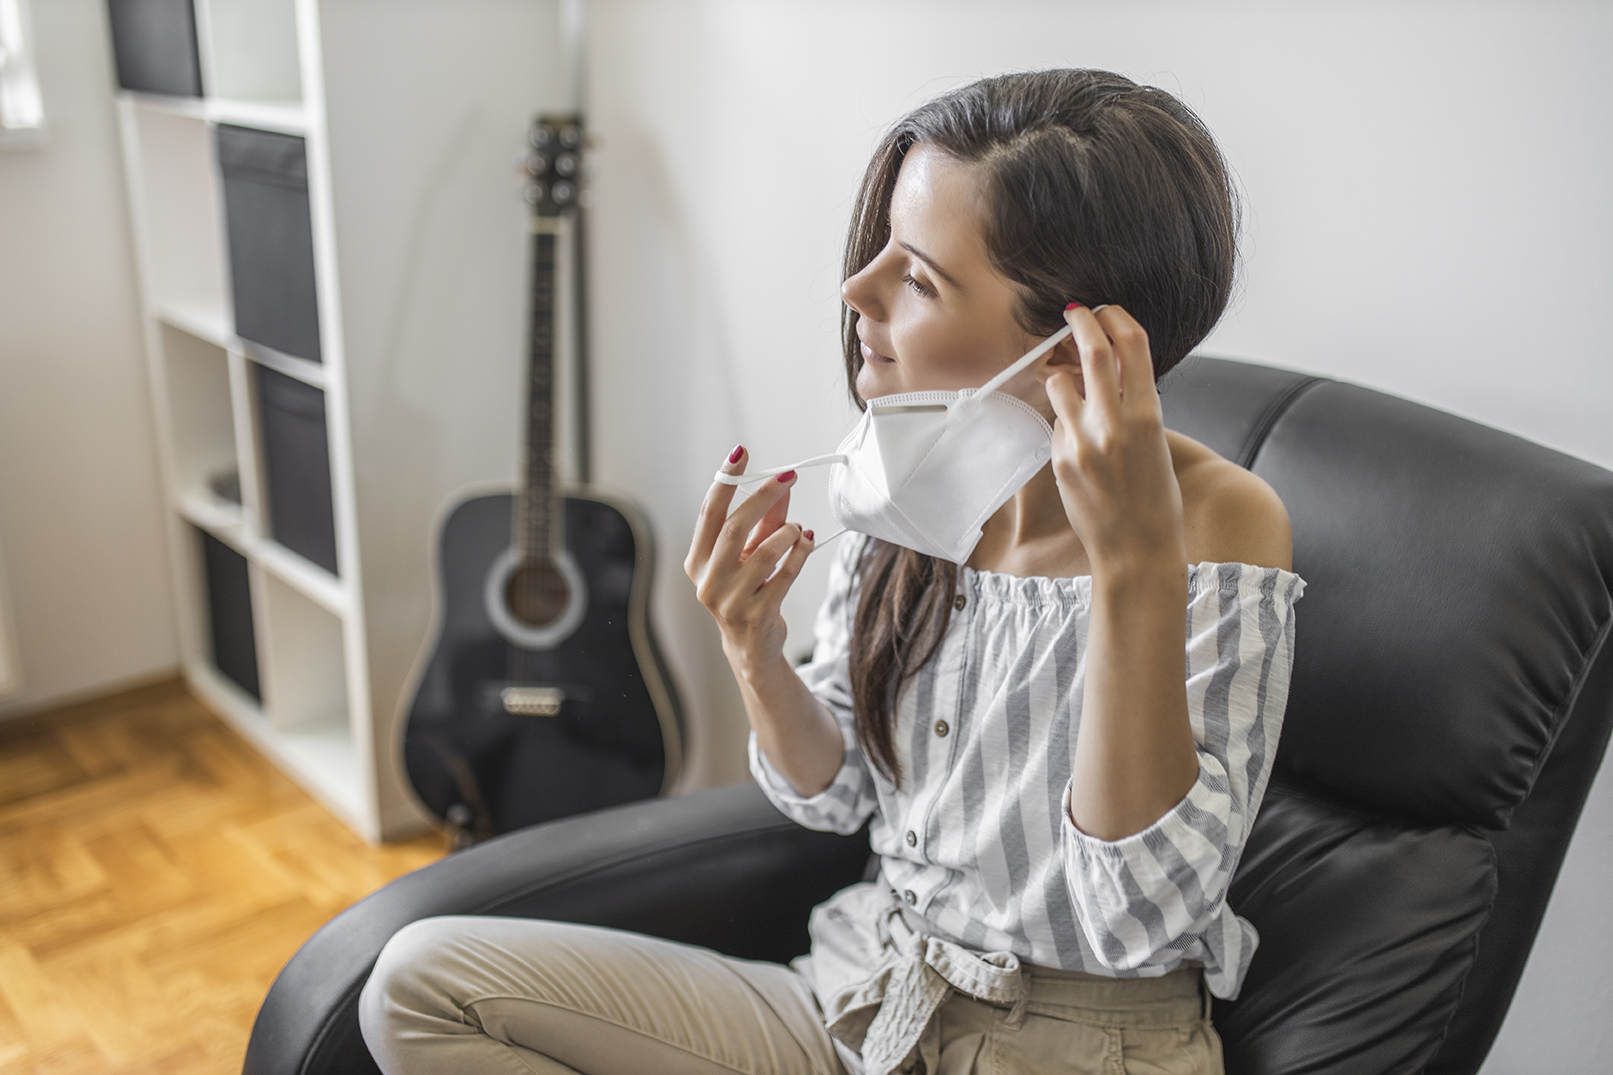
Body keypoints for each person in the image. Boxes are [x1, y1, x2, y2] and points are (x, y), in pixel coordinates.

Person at [359, 68, 1304, 1075]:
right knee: (418, 985)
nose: (856, 292)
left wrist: (1130, 571)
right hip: (861, 992)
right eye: (880, 251)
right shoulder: (911, 482)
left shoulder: (1220, 525)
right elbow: (834, 792)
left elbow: (1134, 913)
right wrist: (751, 646)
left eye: (919, 278)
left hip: (1074, 1045)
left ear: (1071, 345)